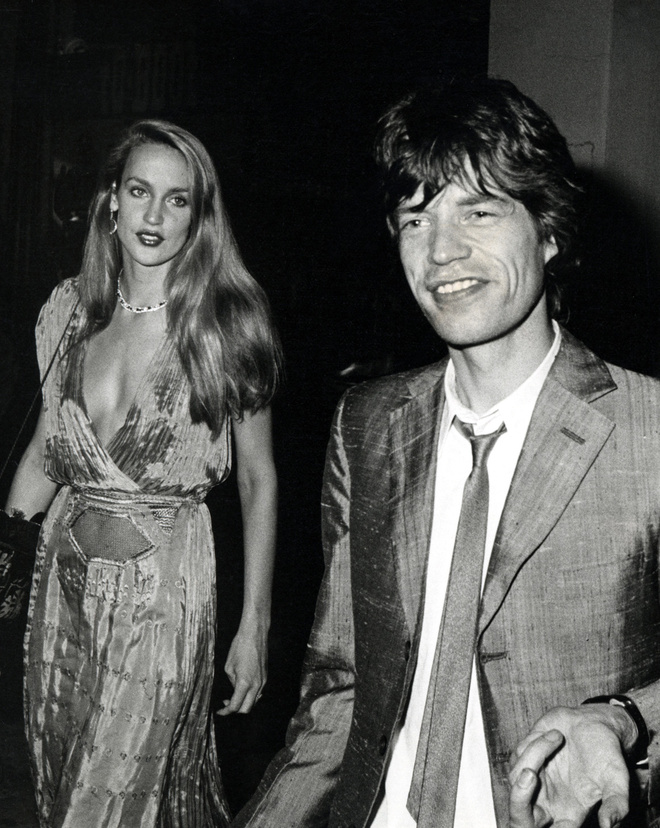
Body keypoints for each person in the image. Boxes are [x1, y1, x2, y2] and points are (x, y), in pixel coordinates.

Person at [233, 77, 660, 828]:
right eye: (416, 218)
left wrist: (623, 719)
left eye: (480, 211)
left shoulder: (648, 429)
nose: (442, 251)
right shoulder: (368, 424)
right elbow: (340, 688)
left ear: (549, 231)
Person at [5, 119, 282, 827]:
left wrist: (254, 626)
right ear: (111, 201)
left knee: (106, 802)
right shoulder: (69, 311)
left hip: (162, 596)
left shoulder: (226, 324)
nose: (154, 215)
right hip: (60, 589)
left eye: (177, 199)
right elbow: (45, 452)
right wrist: (6, 550)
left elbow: (258, 481)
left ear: (199, 216)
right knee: (60, 783)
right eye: (139, 191)